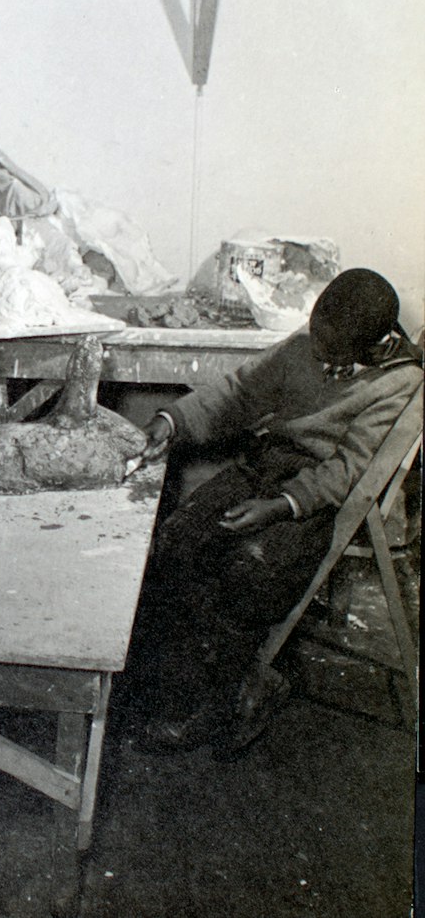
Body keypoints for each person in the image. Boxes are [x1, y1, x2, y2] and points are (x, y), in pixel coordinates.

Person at [124, 268, 422, 758]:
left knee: (249, 574)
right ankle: (172, 683)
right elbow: (240, 393)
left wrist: (280, 507)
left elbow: (347, 470)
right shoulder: (308, 344)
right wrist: (172, 420)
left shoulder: (398, 383)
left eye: (331, 346)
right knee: (177, 542)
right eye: (315, 332)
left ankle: (228, 698)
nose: (317, 349)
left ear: (369, 345)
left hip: (313, 495)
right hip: (266, 465)